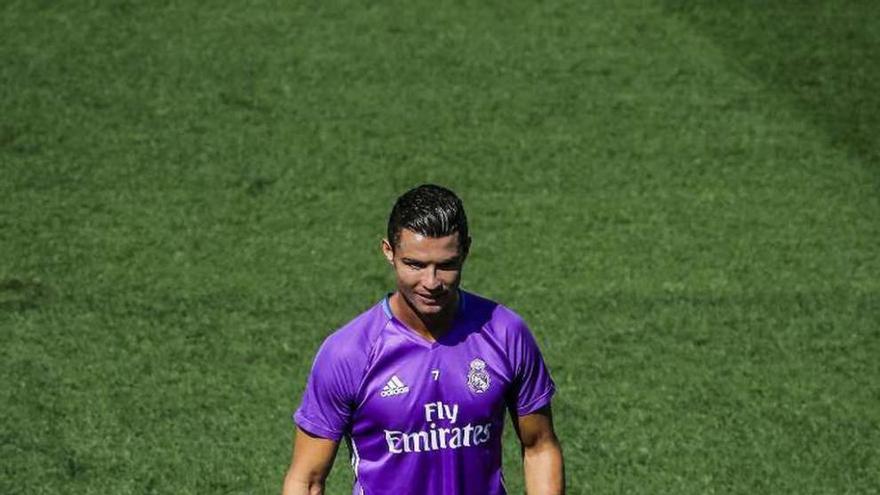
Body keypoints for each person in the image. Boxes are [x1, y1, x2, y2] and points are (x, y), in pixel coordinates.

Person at [282, 184, 564, 494]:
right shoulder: (349, 353)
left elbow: (539, 446)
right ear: (389, 252)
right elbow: (306, 480)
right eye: (415, 265)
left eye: (445, 266)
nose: (431, 283)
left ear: (466, 251)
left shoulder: (505, 333)